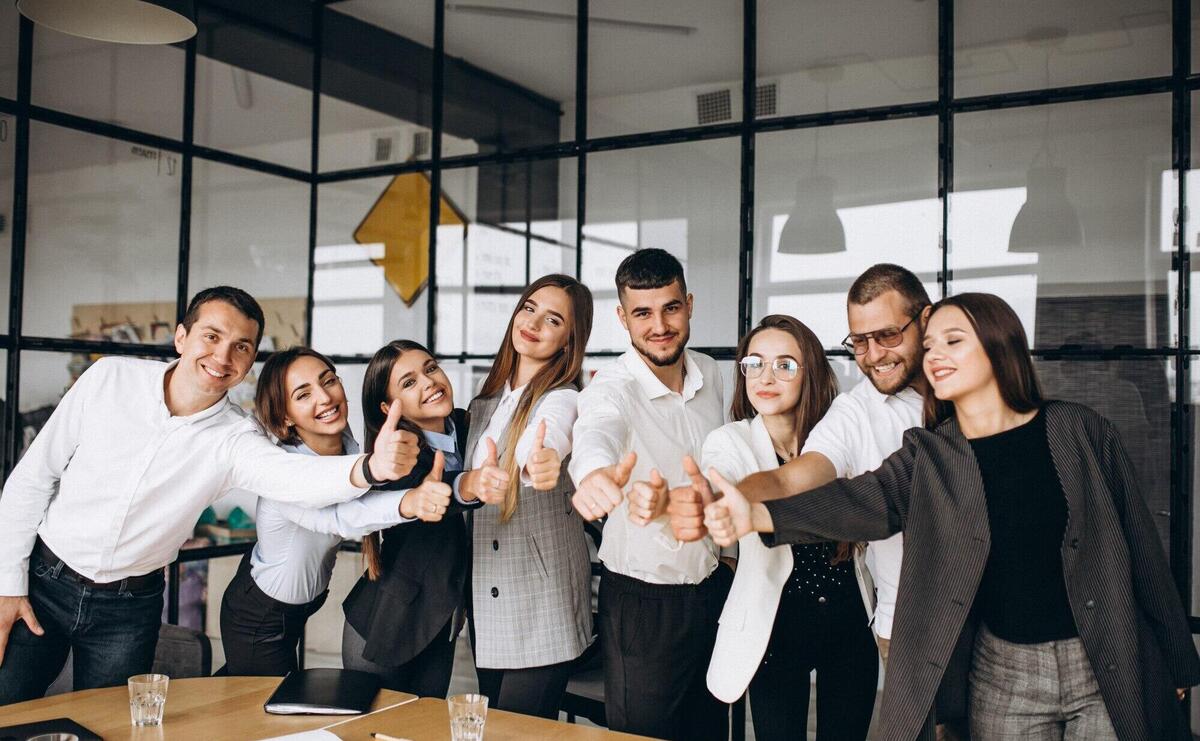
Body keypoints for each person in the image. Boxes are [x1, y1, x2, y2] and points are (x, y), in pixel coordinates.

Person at [701, 292, 1200, 740]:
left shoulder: (1079, 431)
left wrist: (1178, 659)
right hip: (1003, 672)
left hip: (1102, 657)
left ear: (999, 345)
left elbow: (1141, 547)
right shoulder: (931, 453)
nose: (934, 356)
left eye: (952, 342)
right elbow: (860, 501)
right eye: (932, 345)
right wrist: (757, 513)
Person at [0, 287, 420, 702]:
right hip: (43, 582)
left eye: (241, 347)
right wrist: (7, 585)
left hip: (129, 608)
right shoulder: (109, 377)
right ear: (181, 337)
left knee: (106, 725)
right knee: (7, 704)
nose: (223, 357)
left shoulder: (237, 437)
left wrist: (369, 468)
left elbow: (292, 477)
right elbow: (33, 479)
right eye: (212, 336)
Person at [671, 263, 931, 666]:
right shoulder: (852, 414)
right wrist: (728, 499)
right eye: (860, 342)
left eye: (888, 335)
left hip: (876, 617)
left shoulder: (960, 387)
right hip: (885, 627)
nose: (874, 354)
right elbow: (793, 478)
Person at [569, 248, 732, 741]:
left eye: (671, 308)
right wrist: (595, 474)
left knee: (711, 732)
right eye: (642, 312)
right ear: (623, 317)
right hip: (645, 605)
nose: (659, 325)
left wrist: (726, 558)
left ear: (689, 304)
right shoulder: (611, 387)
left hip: (713, 588)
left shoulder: (715, 375)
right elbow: (597, 430)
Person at [699, 315, 877, 741]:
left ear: (810, 372)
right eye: (754, 364)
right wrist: (723, 501)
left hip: (848, 621)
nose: (766, 377)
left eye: (785, 365)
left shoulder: (840, 434)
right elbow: (725, 481)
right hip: (774, 628)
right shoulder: (731, 440)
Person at [220, 347, 448, 676]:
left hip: (298, 607)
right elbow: (340, 519)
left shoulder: (346, 444)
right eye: (303, 394)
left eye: (329, 381)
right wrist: (410, 501)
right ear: (285, 416)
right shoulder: (283, 473)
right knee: (262, 712)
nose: (325, 398)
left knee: (259, 694)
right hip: (260, 615)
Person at [464, 274, 595, 719]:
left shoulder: (566, 398)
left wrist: (538, 459)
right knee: (491, 724)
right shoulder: (484, 403)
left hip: (543, 602)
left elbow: (550, 432)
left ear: (569, 340)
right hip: (488, 598)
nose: (534, 322)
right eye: (529, 308)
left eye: (553, 319)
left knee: (519, 731)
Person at [341, 340, 487, 697]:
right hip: (387, 623)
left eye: (431, 368)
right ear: (389, 407)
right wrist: (468, 485)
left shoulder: (468, 427)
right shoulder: (398, 456)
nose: (428, 382)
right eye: (408, 383)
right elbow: (434, 489)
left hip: (440, 620)